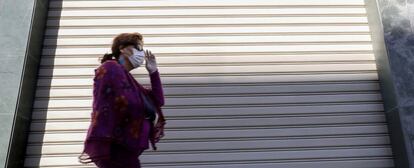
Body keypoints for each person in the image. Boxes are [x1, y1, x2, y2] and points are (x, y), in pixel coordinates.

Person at [78, 32, 166, 168]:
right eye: (138, 48)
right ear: (123, 49)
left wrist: (153, 72)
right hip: (115, 148)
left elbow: (158, 101)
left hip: (128, 150)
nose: (141, 53)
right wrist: (147, 113)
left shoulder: (131, 83)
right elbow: (127, 103)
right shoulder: (110, 68)